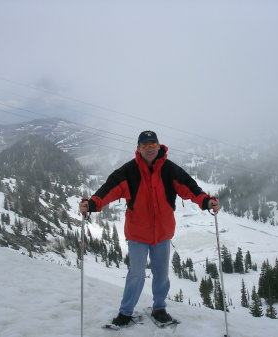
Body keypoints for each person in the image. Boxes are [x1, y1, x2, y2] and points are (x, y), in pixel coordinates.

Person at [79, 130, 220, 327]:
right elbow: (109, 189)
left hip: (162, 233)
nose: (149, 148)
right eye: (145, 145)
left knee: (161, 274)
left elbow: (189, 187)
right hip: (137, 234)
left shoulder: (170, 170)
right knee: (136, 274)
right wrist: (92, 204)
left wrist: (206, 201)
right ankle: (125, 312)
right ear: (138, 148)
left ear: (159, 145)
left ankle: (159, 308)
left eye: (152, 144)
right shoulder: (128, 171)